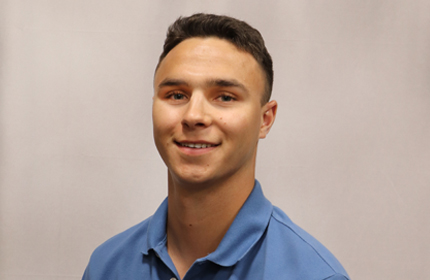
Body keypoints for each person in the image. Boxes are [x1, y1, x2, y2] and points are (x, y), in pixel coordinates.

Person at [82, 13, 350, 280]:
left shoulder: (315, 275)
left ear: (265, 120)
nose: (194, 116)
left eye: (224, 97)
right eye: (176, 95)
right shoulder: (107, 267)